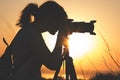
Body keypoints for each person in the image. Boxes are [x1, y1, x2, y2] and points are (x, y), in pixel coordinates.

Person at [9, 1, 68, 80]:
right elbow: (53, 63)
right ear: (50, 19)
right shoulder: (32, 35)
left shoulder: (29, 31)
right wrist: (60, 38)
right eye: (59, 21)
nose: (60, 26)